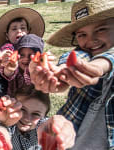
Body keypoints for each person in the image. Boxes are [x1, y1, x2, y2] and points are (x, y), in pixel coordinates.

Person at [29, 0, 114, 149]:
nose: (90, 40)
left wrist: (98, 66)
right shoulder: (86, 52)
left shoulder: (106, 57)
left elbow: (109, 58)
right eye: (82, 34)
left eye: (101, 29)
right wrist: (62, 70)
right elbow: (77, 56)